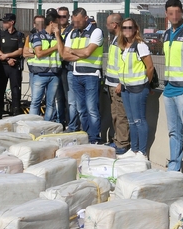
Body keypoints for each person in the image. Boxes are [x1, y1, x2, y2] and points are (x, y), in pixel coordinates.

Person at [61, 8, 104, 144]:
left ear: (86, 18)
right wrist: (79, 53)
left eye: (78, 21)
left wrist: (73, 51)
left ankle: (94, 138)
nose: (75, 24)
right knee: (81, 109)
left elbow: (87, 52)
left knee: (92, 109)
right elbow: (64, 54)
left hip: (91, 75)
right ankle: (85, 134)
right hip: (75, 74)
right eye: (73, 21)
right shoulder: (73, 32)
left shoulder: (96, 32)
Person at [162, 0, 183, 172]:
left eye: (177, 12)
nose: (174, 16)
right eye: (170, 13)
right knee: (174, 131)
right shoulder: (166, 34)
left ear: (182, 12)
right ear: (166, 14)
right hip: (169, 90)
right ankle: (174, 168)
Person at [115, 18, 155, 158]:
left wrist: (146, 83)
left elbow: (150, 67)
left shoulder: (140, 45)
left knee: (139, 121)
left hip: (138, 88)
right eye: (124, 27)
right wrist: (121, 83)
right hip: (126, 87)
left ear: (135, 29)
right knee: (131, 120)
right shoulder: (123, 46)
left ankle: (142, 152)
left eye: (130, 27)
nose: (127, 30)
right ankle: (133, 149)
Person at [104, 13, 129, 155]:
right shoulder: (115, 39)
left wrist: (120, 82)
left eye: (108, 24)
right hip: (111, 83)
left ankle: (122, 143)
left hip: (118, 85)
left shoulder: (122, 40)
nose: (107, 26)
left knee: (121, 115)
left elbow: (124, 63)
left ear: (114, 25)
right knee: (115, 114)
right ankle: (117, 140)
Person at [29, 9, 62, 120]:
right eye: (58, 23)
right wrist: (54, 48)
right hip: (40, 74)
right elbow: (39, 53)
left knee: (51, 103)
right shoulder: (37, 36)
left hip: (54, 74)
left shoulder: (58, 37)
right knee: (35, 102)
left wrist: (58, 36)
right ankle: (32, 125)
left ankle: (47, 125)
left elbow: (62, 52)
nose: (60, 26)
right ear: (52, 23)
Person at [0, 13, 25, 116]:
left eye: (5, 22)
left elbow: (20, 51)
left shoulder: (19, 35)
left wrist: (7, 55)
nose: (3, 24)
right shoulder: (0, 34)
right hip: (2, 66)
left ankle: (16, 110)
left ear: (12, 22)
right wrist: (7, 58)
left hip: (14, 66)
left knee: (15, 89)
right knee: (0, 88)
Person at [55, 6, 75, 127]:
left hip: (67, 67)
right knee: (57, 98)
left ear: (68, 17)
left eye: (64, 16)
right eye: (60, 16)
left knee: (69, 98)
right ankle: (59, 121)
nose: (62, 18)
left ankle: (70, 123)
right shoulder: (54, 29)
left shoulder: (72, 30)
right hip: (55, 67)